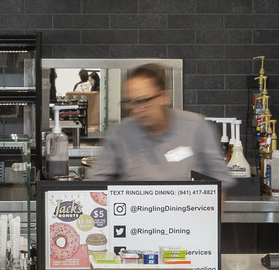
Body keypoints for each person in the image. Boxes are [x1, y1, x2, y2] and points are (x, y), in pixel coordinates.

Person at [97, 63, 235, 184]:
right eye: (132, 103)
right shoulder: (120, 134)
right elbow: (97, 185)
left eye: (144, 101)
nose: (138, 110)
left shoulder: (196, 128)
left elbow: (219, 183)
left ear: (164, 97)